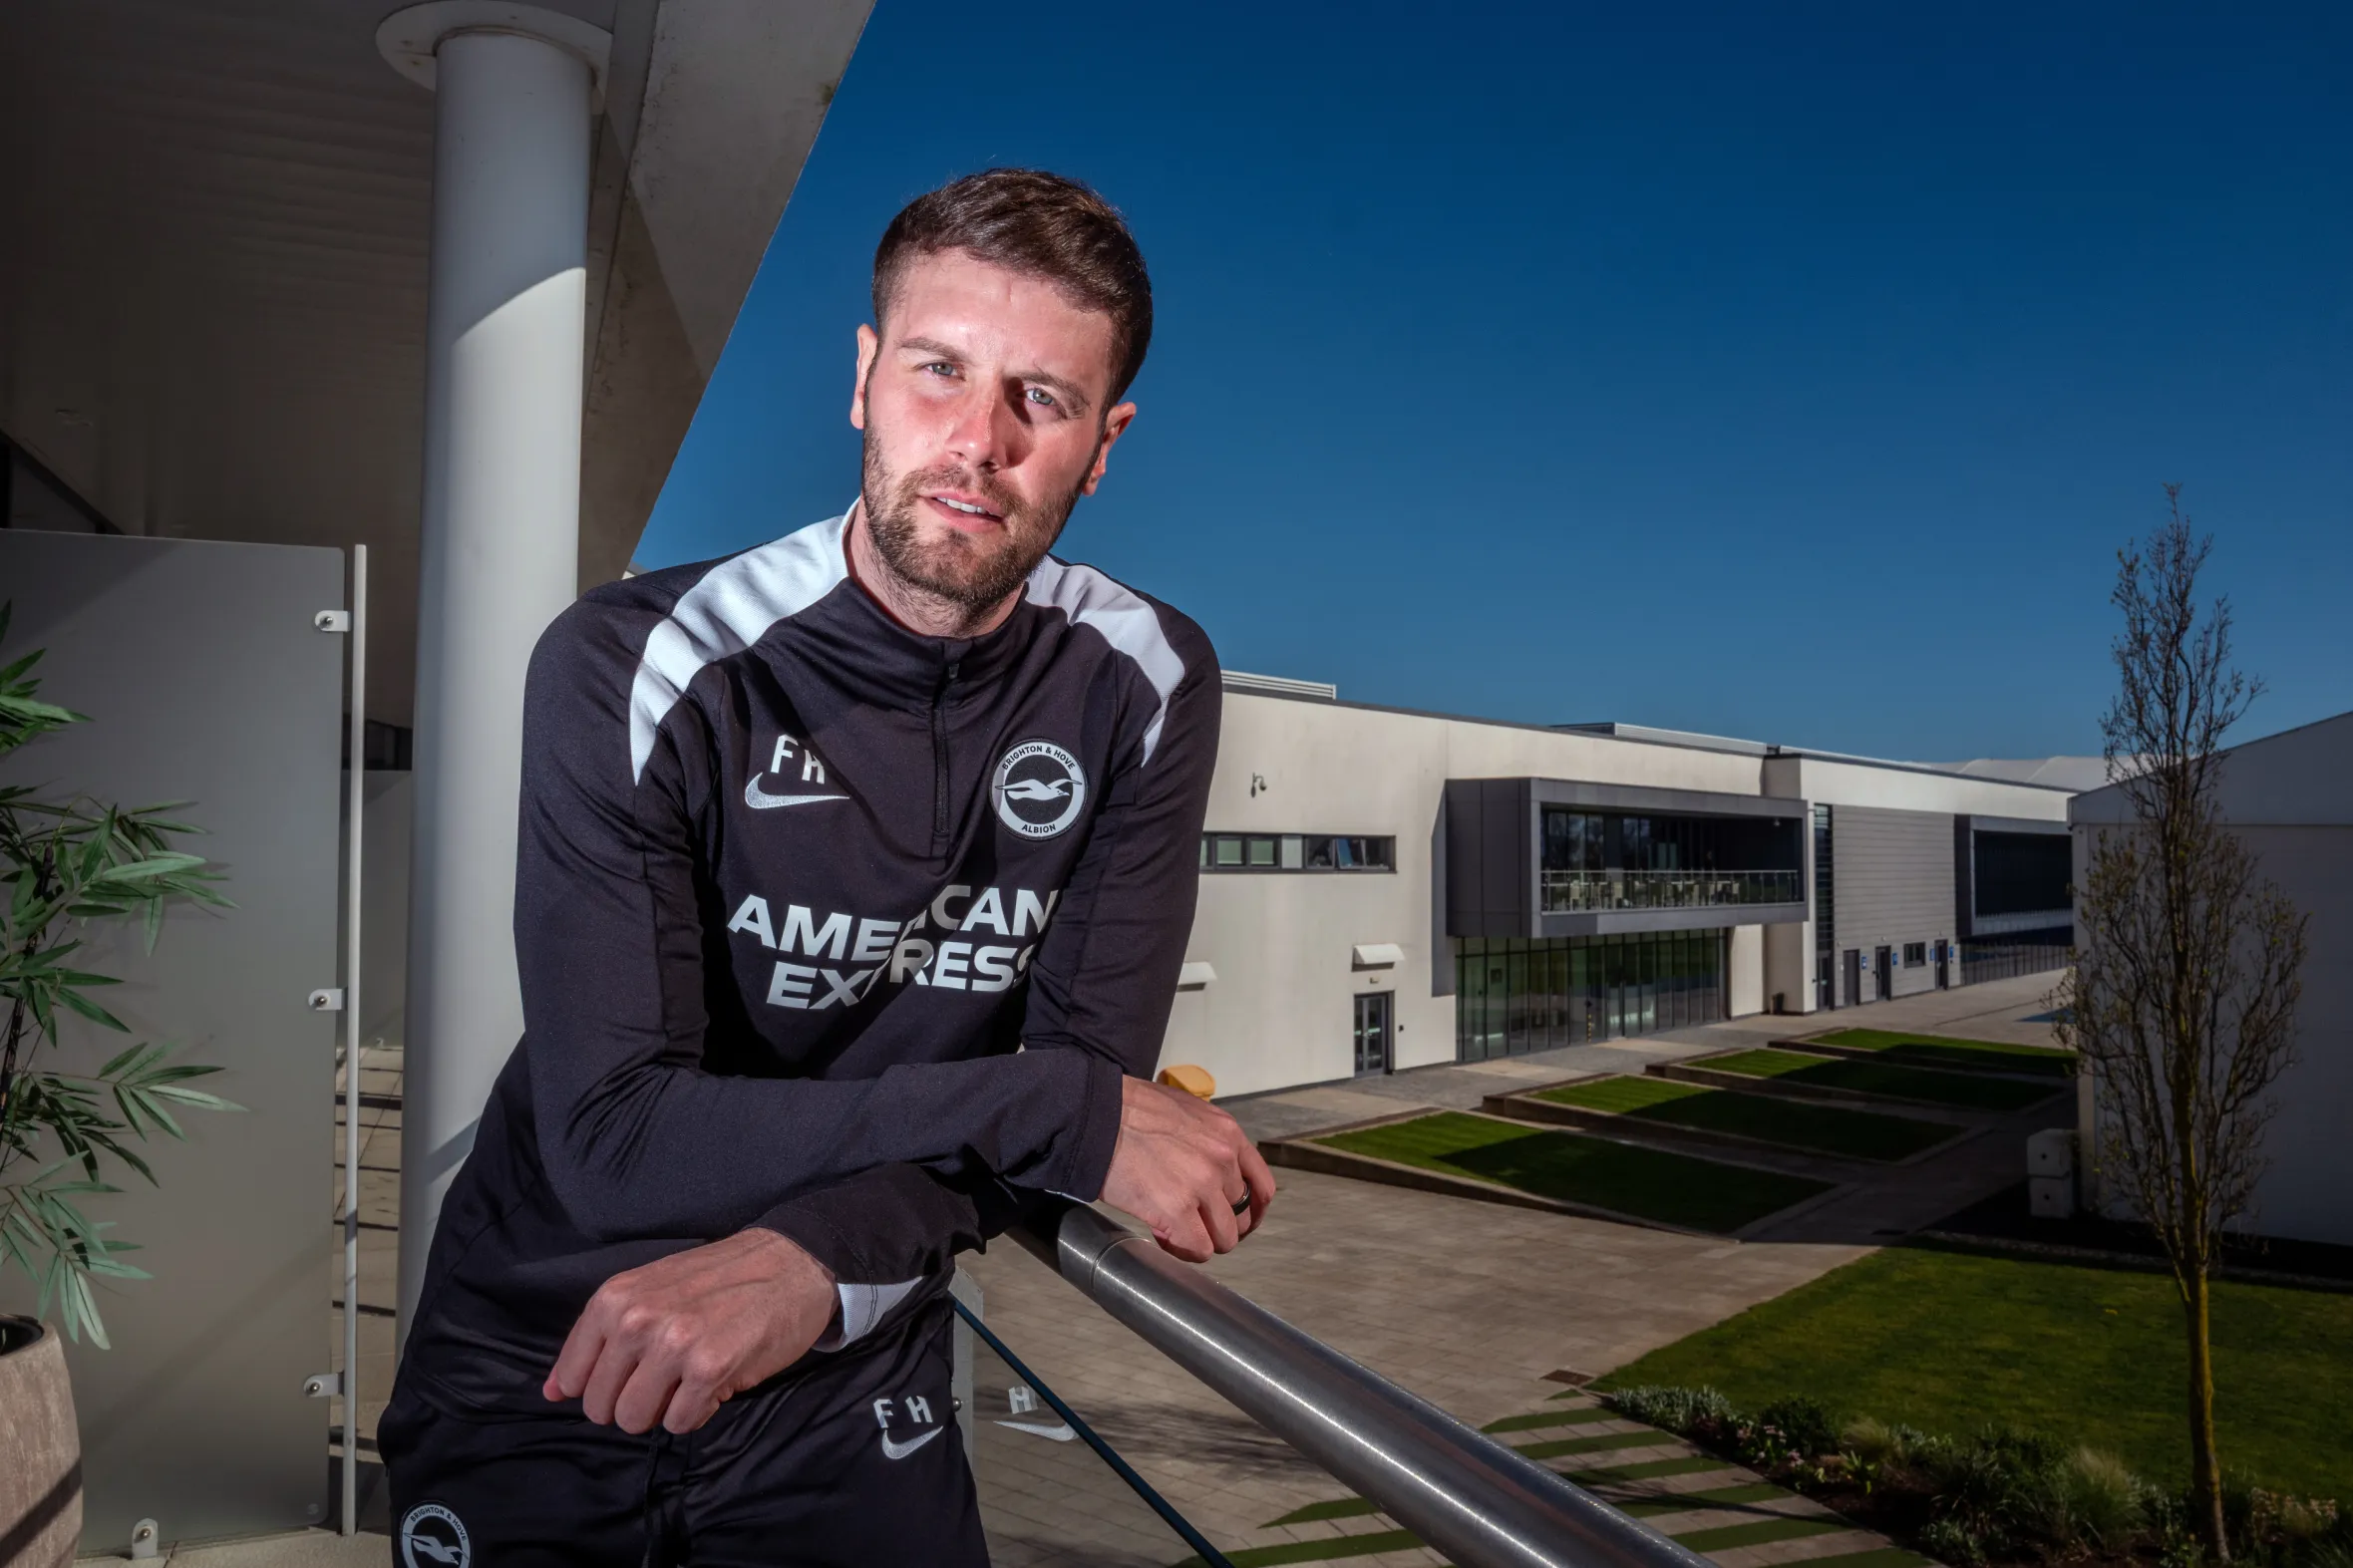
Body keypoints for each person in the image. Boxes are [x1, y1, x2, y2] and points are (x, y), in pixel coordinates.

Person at [381, 167, 1274, 1567]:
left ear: (1104, 443)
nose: (977, 441)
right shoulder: (641, 659)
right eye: (938, 369)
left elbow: (1084, 1087)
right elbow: (616, 1138)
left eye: (1042, 397)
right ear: (864, 378)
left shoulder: (1149, 681)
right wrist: (1050, 1103)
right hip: (550, 1353)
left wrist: (815, 1264)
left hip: (852, 1357)